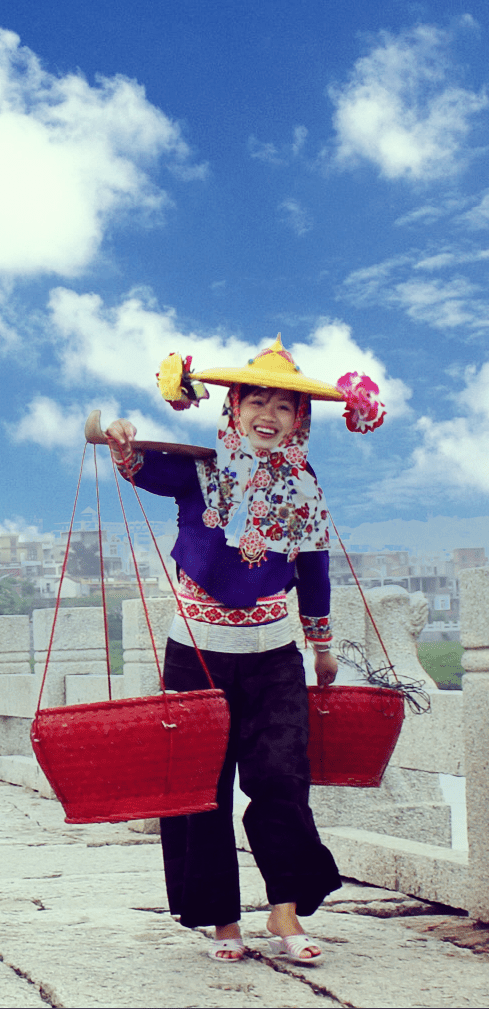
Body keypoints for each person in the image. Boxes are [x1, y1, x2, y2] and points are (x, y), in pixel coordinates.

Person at [105, 337, 384, 965]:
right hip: (197, 652)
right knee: (202, 790)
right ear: (232, 408)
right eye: (255, 399)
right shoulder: (200, 468)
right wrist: (125, 442)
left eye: (284, 406)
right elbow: (148, 468)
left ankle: (283, 912)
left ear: (301, 420)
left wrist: (322, 645)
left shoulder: (304, 485)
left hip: (274, 653)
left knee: (282, 779)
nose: (269, 413)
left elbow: (314, 566)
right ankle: (222, 921)